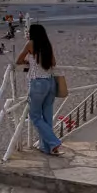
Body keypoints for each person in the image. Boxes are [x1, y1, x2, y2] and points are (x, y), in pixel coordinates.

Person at [17, 24, 62, 155]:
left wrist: (29, 62)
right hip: (50, 82)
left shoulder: (31, 44)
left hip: (38, 83)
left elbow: (19, 60)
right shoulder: (47, 44)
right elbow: (53, 63)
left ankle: (54, 142)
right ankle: (46, 147)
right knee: (47, 116)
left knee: (35, 116)